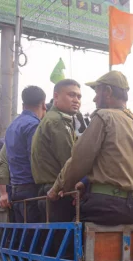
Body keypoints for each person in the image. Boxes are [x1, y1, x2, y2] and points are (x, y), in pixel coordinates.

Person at [48, 71, 133, 225]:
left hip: (106, 205)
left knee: (66, 237)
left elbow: (79, 161)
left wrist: (58, 188)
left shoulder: (104, 116)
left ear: (108, 92)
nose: (95, 99)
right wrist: (84, 183)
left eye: (97, 93)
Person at [31, 79, 82, 222]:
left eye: (79, 96)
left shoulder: (56, 119)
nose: (76, 100)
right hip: (57, 192)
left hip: (50, 190)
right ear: (56, 96)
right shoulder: (57, 122)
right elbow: (70, 161)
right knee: (62, 242)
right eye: (71, 95)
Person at [5, 85, 47, 223]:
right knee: (35, 239)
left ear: (23, 105)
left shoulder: (12, 126)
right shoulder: (33, 125)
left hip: (16, 189)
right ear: (43, 104)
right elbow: (35, 159)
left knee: (25, 239)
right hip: (31, 190)